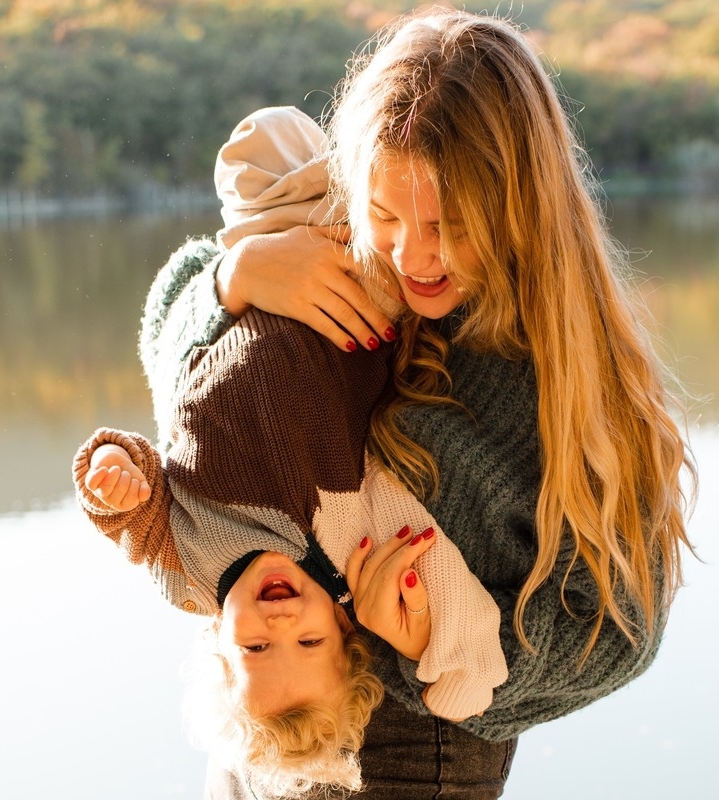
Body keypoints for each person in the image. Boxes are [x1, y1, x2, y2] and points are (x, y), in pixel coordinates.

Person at [192, 7, 697, 798]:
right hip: (259, 728)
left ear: (519, 206)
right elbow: (191, 379)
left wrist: (439, 640)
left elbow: (624, 633)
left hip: (413, 757)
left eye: (450, 225)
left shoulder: (564, 377)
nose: (411, 255)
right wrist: (230, 278)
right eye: (386, 215)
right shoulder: (344, 250)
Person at [71, 107, 507, 796]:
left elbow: (140, 511)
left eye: (255, 646)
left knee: (264, 157)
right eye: (307, 642)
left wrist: (113, 476)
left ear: (219, 645)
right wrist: (230, 278)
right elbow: (423, 548)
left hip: (274, 223)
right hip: (337, 264)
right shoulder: (338, 541)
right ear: (342, 622)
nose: (278, 624)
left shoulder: (189, 575)